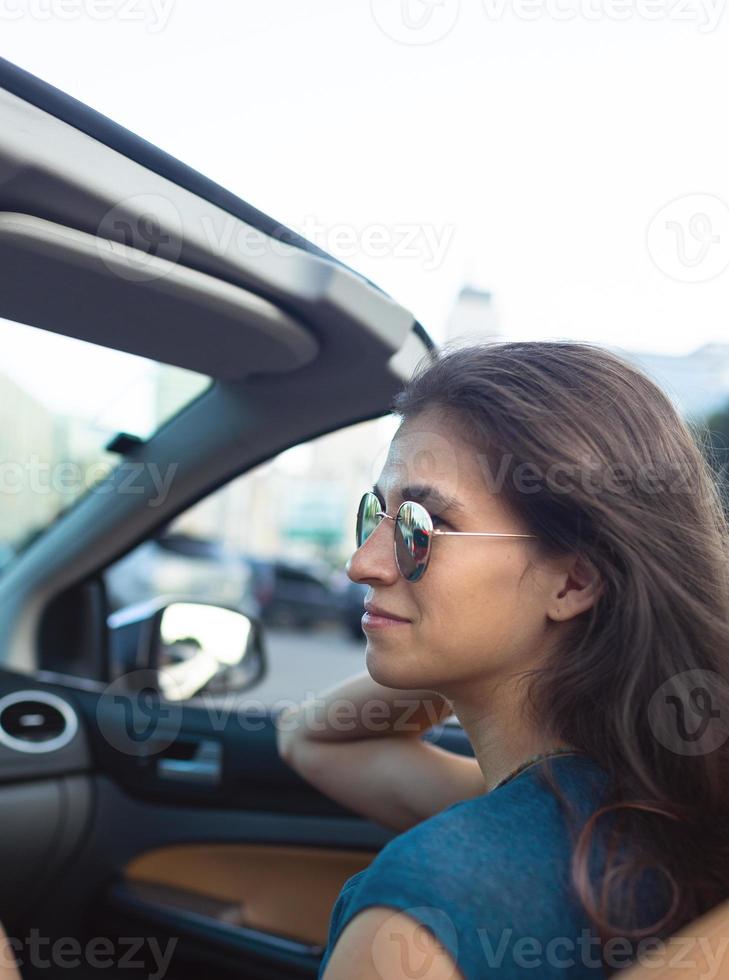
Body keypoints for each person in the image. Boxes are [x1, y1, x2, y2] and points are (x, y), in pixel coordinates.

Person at [276, 340, 729, 979]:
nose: (362, 564)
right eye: (375, 514)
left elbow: (312, 740)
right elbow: (312, 740)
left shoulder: (418, 915)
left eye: (421, 525)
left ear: (573, 581)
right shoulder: (651, 809)